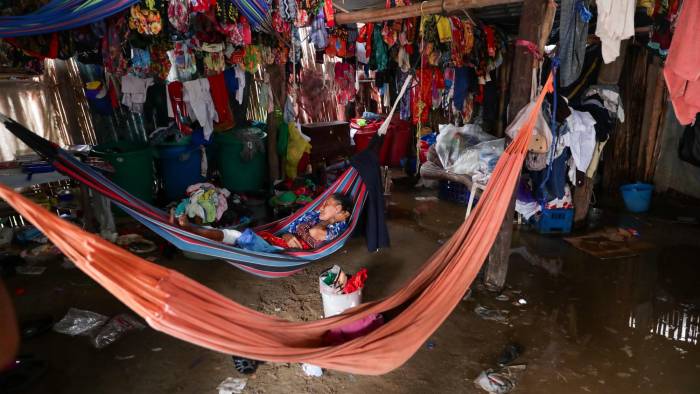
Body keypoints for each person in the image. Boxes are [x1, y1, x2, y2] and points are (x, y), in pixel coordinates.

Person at [170, 192, 352, 250]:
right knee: (236, 237)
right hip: (278, 240)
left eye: (326, 205)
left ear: (338, 209)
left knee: (235, 237)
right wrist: (290, 233)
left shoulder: (339, 225)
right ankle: (188, 229)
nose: (320, 208)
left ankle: (189, 229)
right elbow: (297, 226)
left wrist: (328, 221)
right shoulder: (316, 215)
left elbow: (315, 234)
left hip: (279, 251)